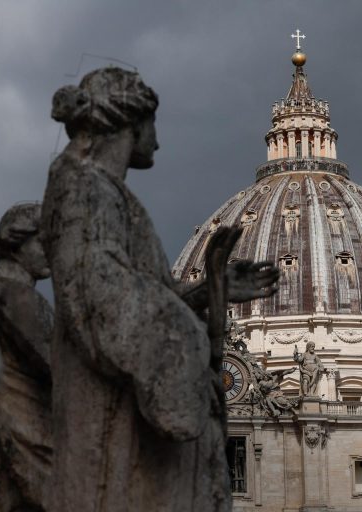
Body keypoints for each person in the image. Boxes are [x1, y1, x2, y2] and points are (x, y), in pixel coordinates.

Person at [41, 67, 276, 511]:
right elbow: (102, 298)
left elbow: (132, 292)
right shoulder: (84, 185)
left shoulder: (105, 189)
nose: (159, 141)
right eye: (152, 126)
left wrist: (209, 289)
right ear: (128, 122)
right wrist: (187, 339)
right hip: (114, 403)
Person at [0, 203, 53, 511]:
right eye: (43, 241)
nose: (51, 250)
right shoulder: (12, 294)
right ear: (16, 242)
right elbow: (58, 367)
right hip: (24, 438)